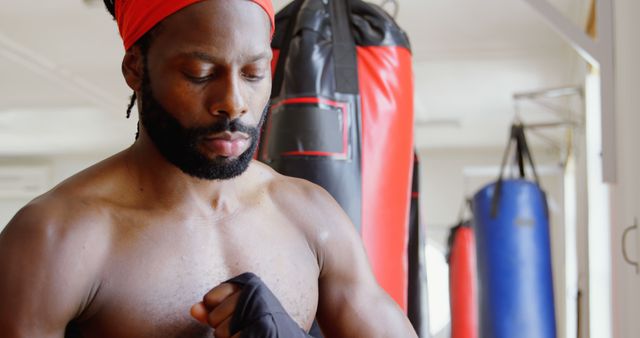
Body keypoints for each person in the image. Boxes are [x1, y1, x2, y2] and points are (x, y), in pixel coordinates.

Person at [0, 0, 418, 337]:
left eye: (254, 74)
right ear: (135, 69)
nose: (234, 102)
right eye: (200, 74)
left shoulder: (310, 215)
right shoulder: (56, 236)